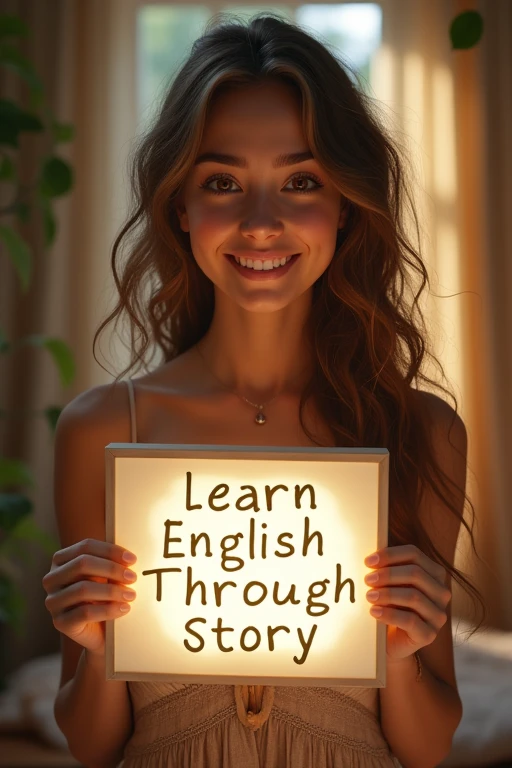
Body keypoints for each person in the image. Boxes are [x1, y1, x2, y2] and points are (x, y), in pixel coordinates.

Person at [42, 12, 485, 768]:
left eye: (301, 181)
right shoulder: (105, 430)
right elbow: (92, 745)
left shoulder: (420, 430)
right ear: (181, 206)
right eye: (223, 182)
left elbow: (427, 746)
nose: (260, 223)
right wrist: (93, 641)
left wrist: (405, 651)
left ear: (345, 204)